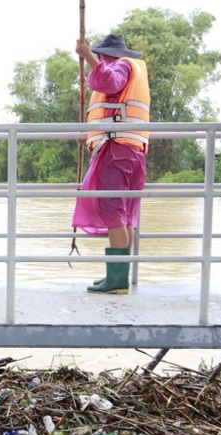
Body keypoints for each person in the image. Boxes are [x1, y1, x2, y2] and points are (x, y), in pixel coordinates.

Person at [72, 33, 150, 295]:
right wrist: (92, 133)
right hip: (131, 150)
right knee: (124, 214)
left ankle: (117, 280)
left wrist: (87, 57)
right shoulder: (132, 68)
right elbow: (114, 108)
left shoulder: (120, 65)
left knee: (115, 213)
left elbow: (108, 81)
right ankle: (118, 276)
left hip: (117, 151)